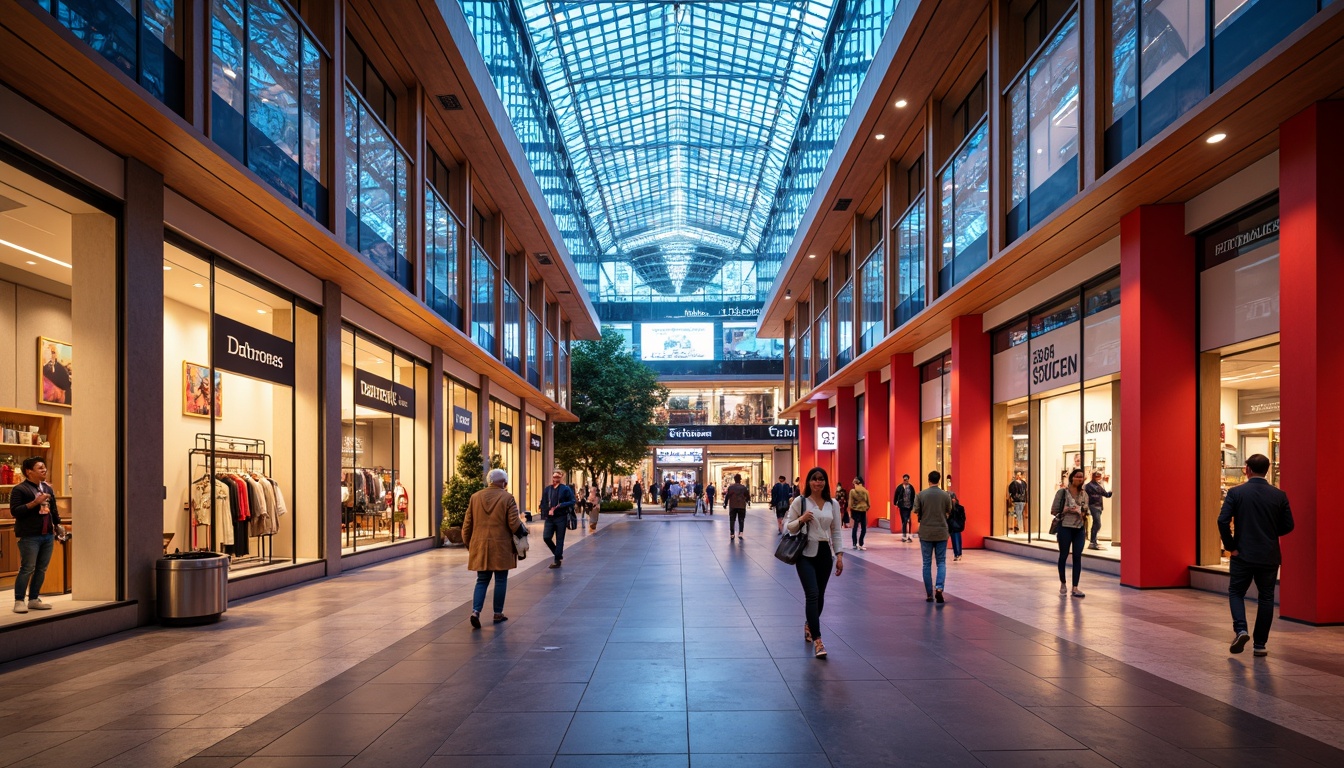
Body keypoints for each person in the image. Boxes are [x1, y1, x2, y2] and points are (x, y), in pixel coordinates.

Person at [1219, 454, 1294, 657]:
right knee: (1266, 598)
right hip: (1268, 554)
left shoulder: (1236, 493)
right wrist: (1268, 533)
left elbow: (1222, 521)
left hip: (1242, 553)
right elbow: (1289, 525)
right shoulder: (1279, 495)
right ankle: (1260, 645)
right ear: (1267, 470)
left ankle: (1241, 630)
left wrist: (1231, 546)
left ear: (1247, 469)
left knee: (1236, 592)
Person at [785, 466, 844, 658]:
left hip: (825, 553)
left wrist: (840, 555)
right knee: (812, 594)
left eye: (821, 479)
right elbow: (789, 527)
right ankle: (818, 640)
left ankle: (809, 624)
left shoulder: (832, 503)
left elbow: (835, 530)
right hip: (804, 554)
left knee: (820, 596)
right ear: (808, 481)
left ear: (825, 482)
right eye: (814, 479)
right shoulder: (800, 502)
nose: (818, 482)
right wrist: (801, 519)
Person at [462, 468, 523, 627]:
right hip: (501, 546)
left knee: (482, 579)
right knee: (501, 579)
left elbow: (467, 524)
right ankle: (497, 613)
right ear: (504, 482)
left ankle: (476, 611)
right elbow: (514, 524)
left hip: (480, 545)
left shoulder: (475, 497)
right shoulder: (508, 498)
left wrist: (469, 544)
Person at [10, 457, 61, 613]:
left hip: (47, 535)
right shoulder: (20, 489)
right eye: (40, 468)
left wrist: (58, 525)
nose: (44, 470)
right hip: (29, 536)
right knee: (27, 568)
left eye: (44, 467)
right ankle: (19, 601)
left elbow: (53, 510)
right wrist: (35, 502)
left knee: (41, 569)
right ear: (29, 471)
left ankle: (33, 599)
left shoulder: (47, 488)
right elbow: (15, 511)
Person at [1051, 469, 1090, 598]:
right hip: (1065, 526)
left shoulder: (1084, 494)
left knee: (1077, 556)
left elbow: (1086, 512)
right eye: (1077, 476)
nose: (1079, 479)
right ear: (1072, 478)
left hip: (1079, 528)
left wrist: (1081, 511)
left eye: (1082, 477)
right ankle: (1063, 583)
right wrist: (1066, 509)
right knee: (1063, 555)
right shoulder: (1062, 492)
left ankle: (1075, 587)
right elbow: (1054, 510)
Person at [914, 471, 952, 603]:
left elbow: (916, 510)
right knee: (941, 562)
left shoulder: (921, 494)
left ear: (928, 480)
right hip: (941, 531)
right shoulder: (945, 495)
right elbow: (949, 510)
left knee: (926, 563)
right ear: (939, 480)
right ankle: (940, 588)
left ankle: (929, 594)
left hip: (926, 532)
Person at [539, 471, 576, 569]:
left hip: (561, 517)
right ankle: (558, 554)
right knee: (546, 537)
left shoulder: (565, 489)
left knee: (560, 539)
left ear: (561, 477)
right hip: (550, 518)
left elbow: (572, 501)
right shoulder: (548, 489)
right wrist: (547, 510)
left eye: (558, 476)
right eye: (554, 476)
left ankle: (556, 560)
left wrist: (561, 505)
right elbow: (543, 502)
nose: (556, 478)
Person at [1084, 472, 1112, 550]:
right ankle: (1093, 541)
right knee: (1097, 523)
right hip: (1094, 506)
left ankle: (1093, 540)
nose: (1099, 478)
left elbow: (1106, 494)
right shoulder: (1092, 486)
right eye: (1097, 476)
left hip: (1097, 506)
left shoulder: (1095, 485)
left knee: (1096, 523)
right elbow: (1107, 494)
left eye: (1099, 476)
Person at [724, 473, 750, 541]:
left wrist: (725, 504)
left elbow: (727, 496)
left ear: (734, 479)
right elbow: (747, 496)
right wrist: (748, 501)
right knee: (741, 520)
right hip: (741, 506)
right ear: (740, 480)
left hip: (733, 506)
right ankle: (740, 533)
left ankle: (732, 534)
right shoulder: (744, 488)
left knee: (732, 520)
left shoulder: (731, 487)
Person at [848, 477, 870, 550]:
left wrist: (850, 510)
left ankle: (854, 543)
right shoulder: (866, 491)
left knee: (855, 527)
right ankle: (861, 543)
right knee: (863, 528)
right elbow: (868, 503)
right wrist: (866, 508)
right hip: (863, 511)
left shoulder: (852, 491)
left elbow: (850, 503)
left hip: (855, 511)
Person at [894, 474, 916, 542]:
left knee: (907, 520)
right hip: (902, 506)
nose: (906, 481)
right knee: (904, 520)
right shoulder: (900, 487)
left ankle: (908, 535)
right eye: (904, 480)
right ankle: (904, 535)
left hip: (909, 506)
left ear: (908, 480)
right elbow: (896, 495)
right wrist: (895, 503)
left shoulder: (911, 487)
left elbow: (913, 496)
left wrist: (913, 504)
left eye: (907, 480)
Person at [948, 491, 966, 561]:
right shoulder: (958, 508)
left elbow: (963, 517)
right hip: (955, 526)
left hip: (954, 526)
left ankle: (957, 554)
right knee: (955, 540)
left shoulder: (956, 508)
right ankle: (957, 554)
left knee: (956, 539)